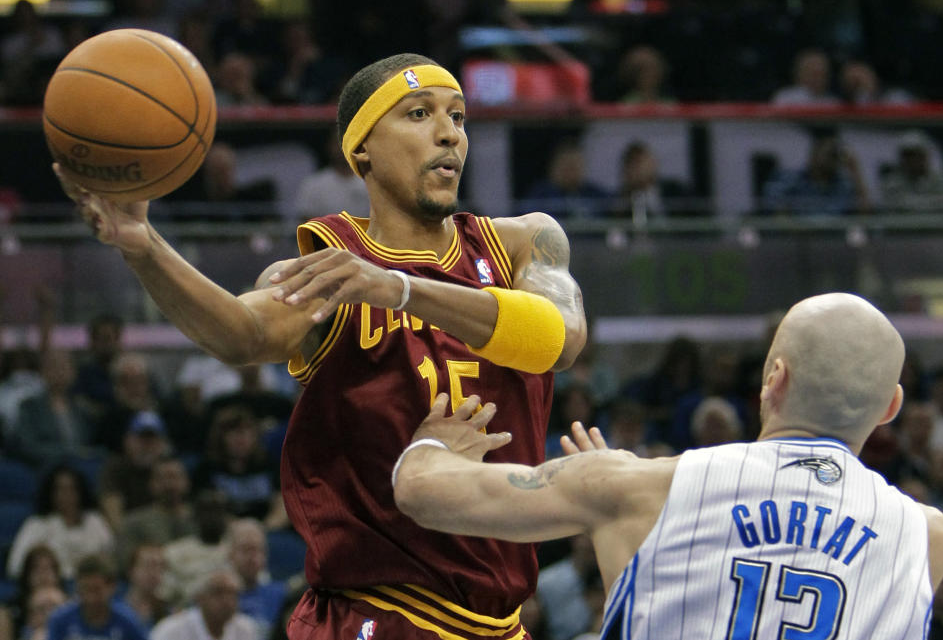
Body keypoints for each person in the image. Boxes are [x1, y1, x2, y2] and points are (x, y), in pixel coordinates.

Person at [55, 51, 587, 640]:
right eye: (418, 113)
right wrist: (143, 245)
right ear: (360, 150)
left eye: (458, 117)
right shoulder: (328, 267)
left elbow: (559, 339)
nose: (449, 134)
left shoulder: (522, 242)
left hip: (500, 622)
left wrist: (402, 290)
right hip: (374, 613)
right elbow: (242, 333)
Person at [394, 293, 943, 639]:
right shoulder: (927, 536)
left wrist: (432, 442)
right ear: (891, 407)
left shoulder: (639, 489)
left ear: (774, 378)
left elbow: (420, 491)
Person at [7, 466, 114, 581]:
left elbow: (112, 561)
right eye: (60, 489)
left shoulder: (95, 521)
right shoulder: (37, 525)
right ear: (50, 493)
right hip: (52, 585)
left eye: (72, 489)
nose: (66, 495)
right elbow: (15, 566)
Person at [46, 554, 149, 640]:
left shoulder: (128, 621)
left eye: (96, 590)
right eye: (85, 589)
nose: (90, 598)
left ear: (112, 587)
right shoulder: (60, 620)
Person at [150, 566, 258, 640]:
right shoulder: (171, 631)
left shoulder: (246, 629)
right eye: (218, 592)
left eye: (233, 594)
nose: (227, 601)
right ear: (200, 598)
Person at [771, 49, 841, 105]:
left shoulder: (833, 102)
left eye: (822, 74)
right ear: (799, 74)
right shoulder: (784, 97)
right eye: (812, 74)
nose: (817, 79)